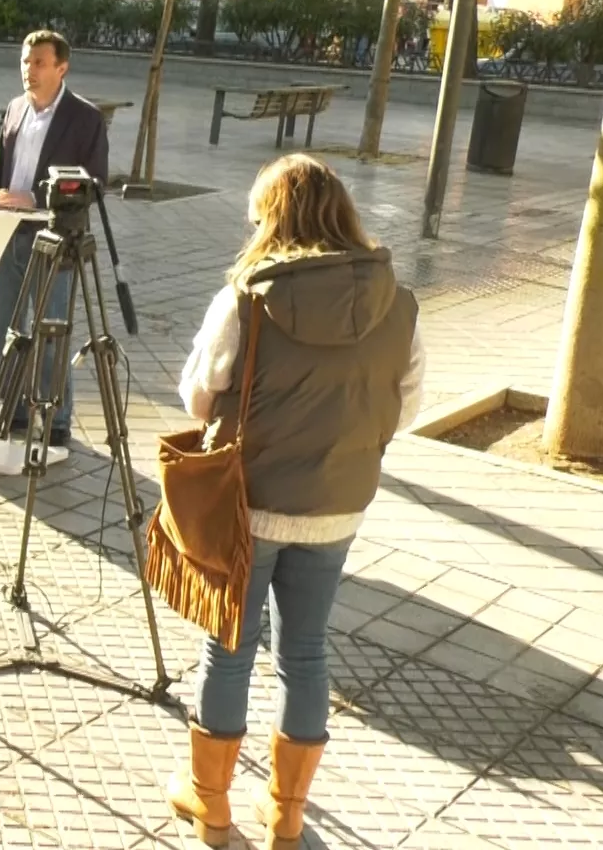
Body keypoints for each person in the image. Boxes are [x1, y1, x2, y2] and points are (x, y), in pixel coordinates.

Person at [168, 154, 424, 849]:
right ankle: (286, 811)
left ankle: (211, 802)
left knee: (229, 645)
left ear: (273, 219)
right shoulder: (398, 301)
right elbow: (407, 403)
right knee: (306, 651)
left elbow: (198, 392)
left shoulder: (247, 296)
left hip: (250, 501)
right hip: (339, 503)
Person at [0, 30, 109, 446]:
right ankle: (15, 411)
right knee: (3, 326)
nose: (29, 70)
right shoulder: (15, 108)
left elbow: (95, 183)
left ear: (62, 67)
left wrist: (35, 197)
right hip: (6, 235)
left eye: (38, 62)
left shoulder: (85, 118)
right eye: (25, 61)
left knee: (51, 332)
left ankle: (55, 420)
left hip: (55, 240)